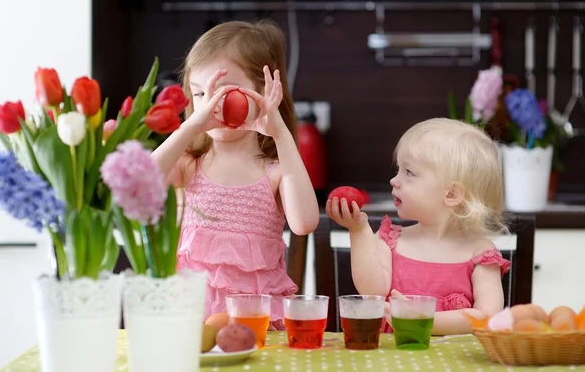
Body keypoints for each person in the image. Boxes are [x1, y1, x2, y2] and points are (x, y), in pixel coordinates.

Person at [152, 20, 319, 329]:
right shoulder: (189, 162)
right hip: (188, 325)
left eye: (224, 93)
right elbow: (141, 182)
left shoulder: (276, 172)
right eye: (200, 94)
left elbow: (305, 222)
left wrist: (281, 134)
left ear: (265, 92)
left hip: (257, 328)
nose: (211, 106)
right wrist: (189, 128)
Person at [326, 118, 511, 335]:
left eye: (409, 172)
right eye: (398, 170)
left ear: (451, 194)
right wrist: (358, 230)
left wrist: (421, 318)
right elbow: (371, 290)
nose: (394, 180)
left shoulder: (480, 252)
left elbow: (487, 315)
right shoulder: (390, 239)